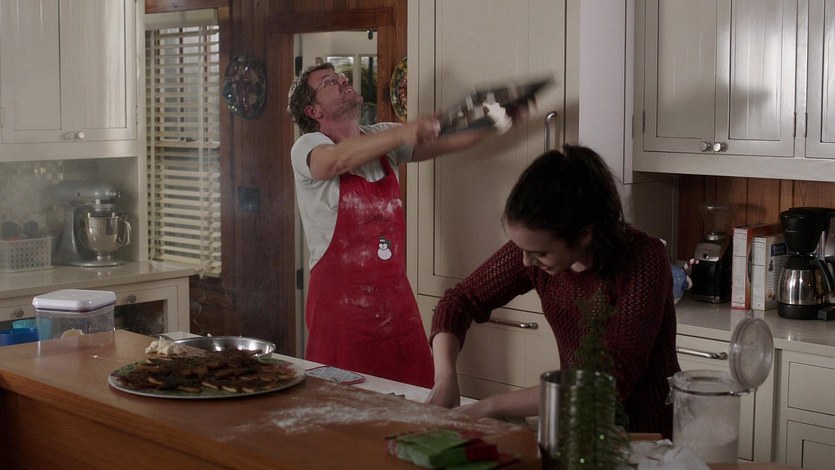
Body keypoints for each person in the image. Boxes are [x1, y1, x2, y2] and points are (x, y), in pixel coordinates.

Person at [286, 63, 523, 388]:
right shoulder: (307, 147)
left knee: (417, 401)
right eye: (329, 81)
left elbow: (450, 140)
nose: (342, 79)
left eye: (339, 75)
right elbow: (337, 160)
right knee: (345, 408)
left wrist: (499, 120)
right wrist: (407, 130)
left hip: (397, 309)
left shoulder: (382, 137)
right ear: (313, 111)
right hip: (341, 318)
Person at [427, 145, 680, 437]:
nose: (526, 262)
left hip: (647, 437)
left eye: (539, 253)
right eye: (522, 249)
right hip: (578, 429)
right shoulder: (535, 249)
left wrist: (489, 406)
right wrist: (445, 378)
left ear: (585, 235)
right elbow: (458, 302)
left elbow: (604, 381)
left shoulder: (644, 259)